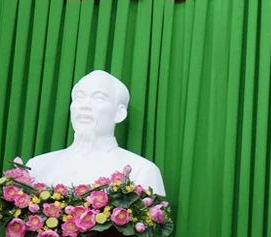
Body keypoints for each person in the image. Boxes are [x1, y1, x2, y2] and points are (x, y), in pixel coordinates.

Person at [26, 69, 167, 196]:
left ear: (119, 113)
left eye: (99, 98)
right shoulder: (37, 166)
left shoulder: (141, 170)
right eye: (79, 97)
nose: (84, 106)